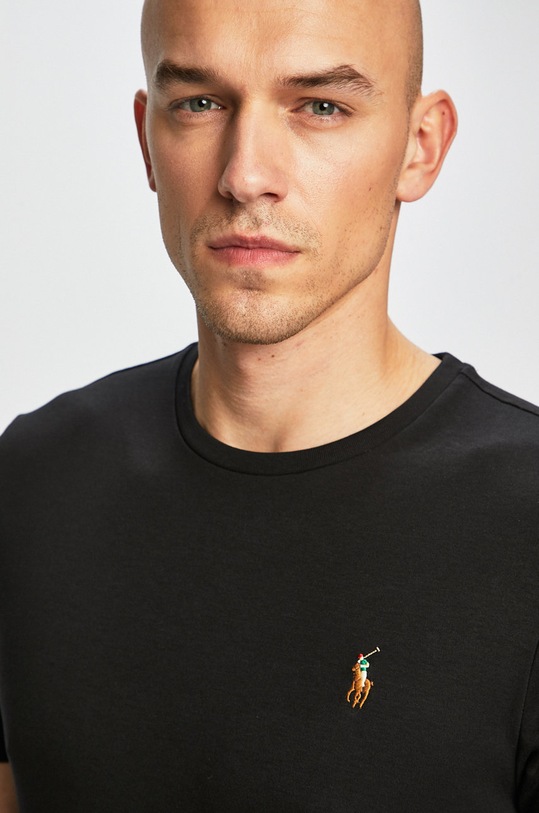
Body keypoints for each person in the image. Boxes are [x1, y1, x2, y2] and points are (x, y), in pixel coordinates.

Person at [0, 0, 538, 810]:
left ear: (419, 146)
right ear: (147, 138)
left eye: (320, 106)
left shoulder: (522, 522)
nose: (245, 173)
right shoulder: (33, 480)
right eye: (200, 102)